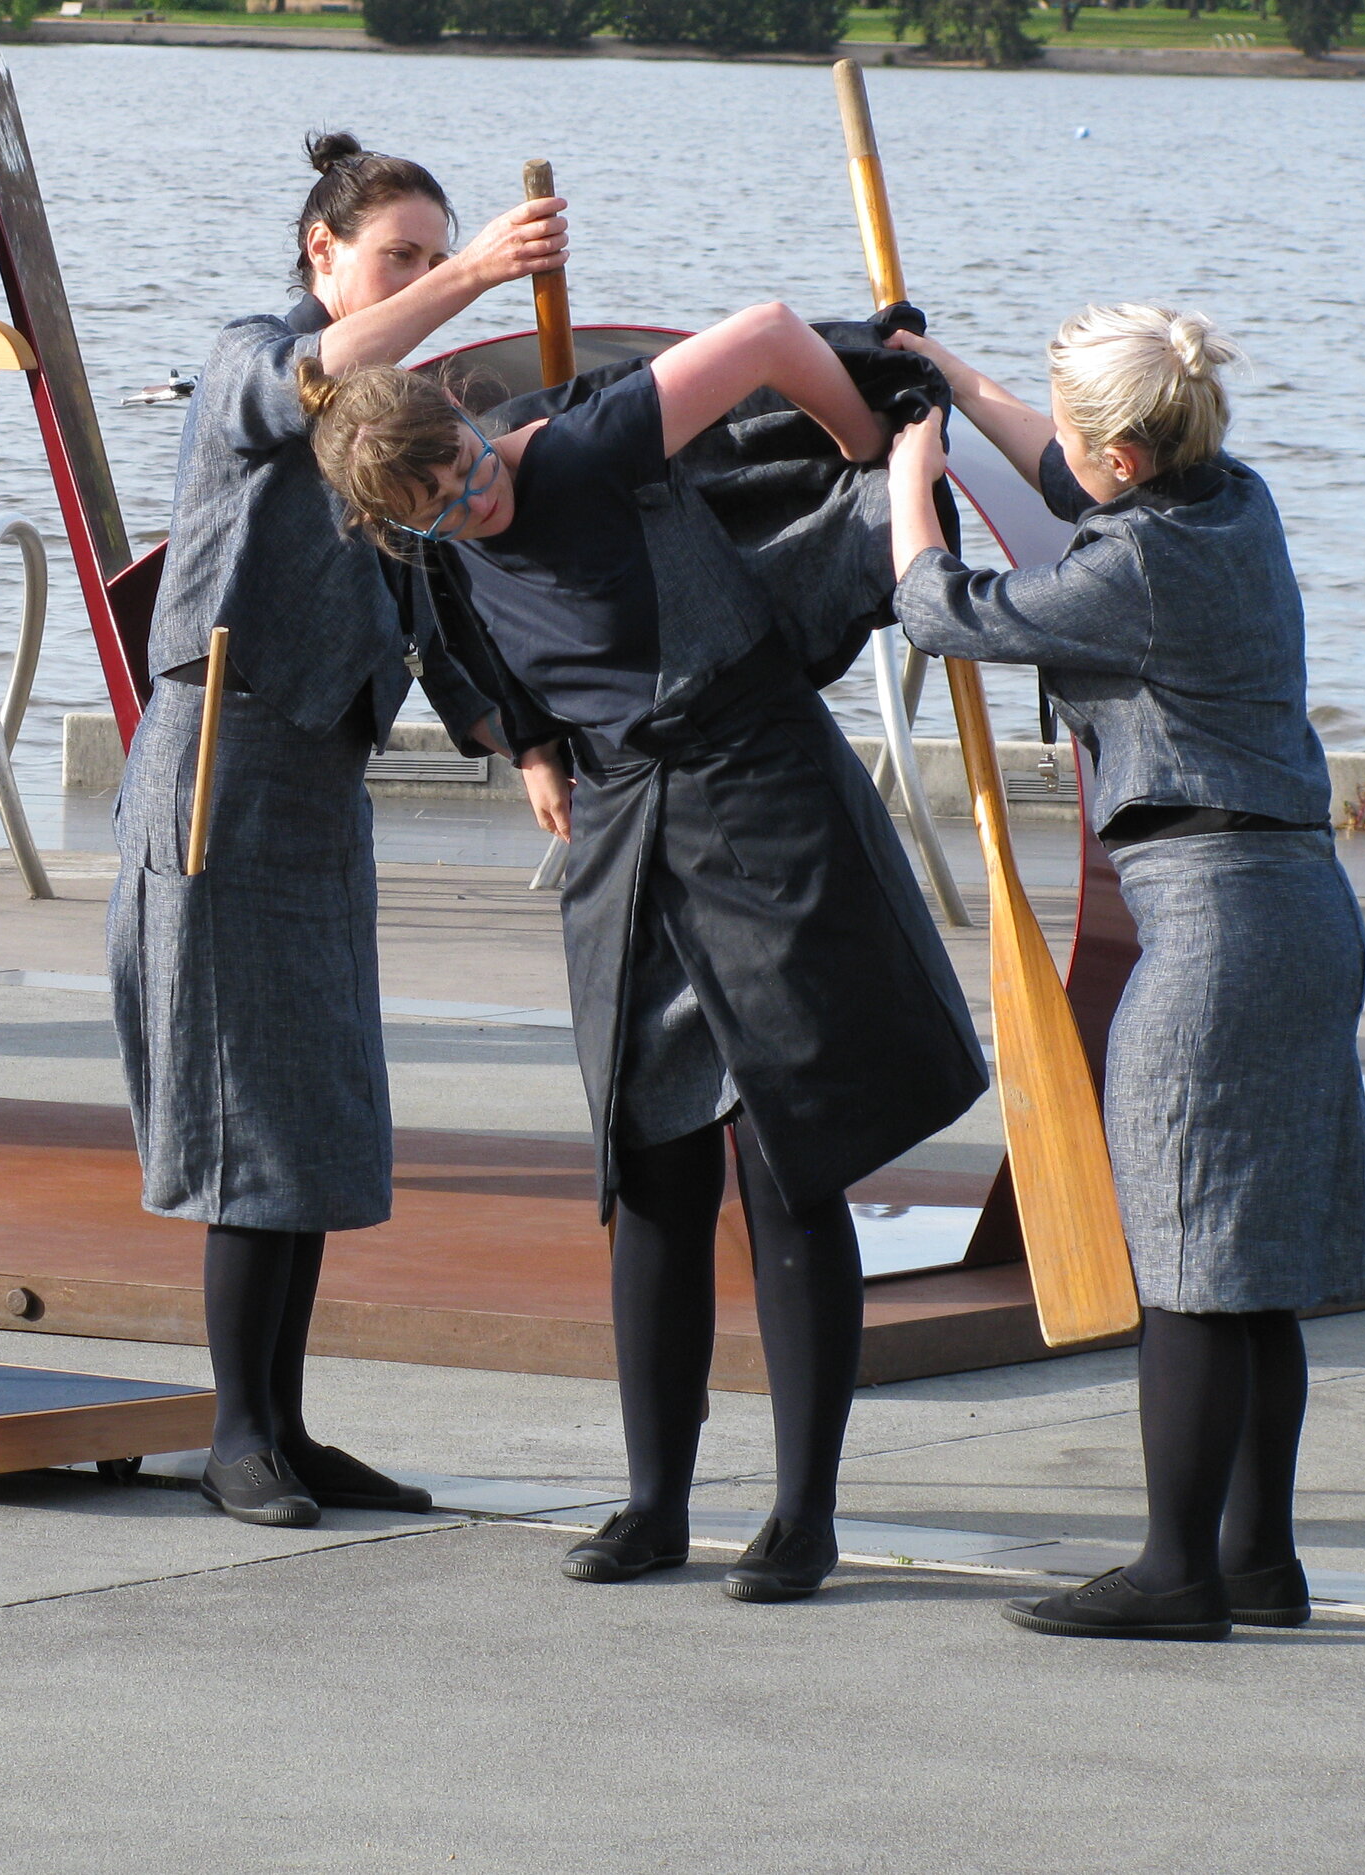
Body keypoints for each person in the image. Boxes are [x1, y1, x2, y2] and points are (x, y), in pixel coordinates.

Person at [294, 301, 989, 1599]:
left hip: (758, 779)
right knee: (651, 1166)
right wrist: (540, 752)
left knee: (789, 1156)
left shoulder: (582, 441)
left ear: (469, 422)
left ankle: (804, 1513)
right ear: (400, 518)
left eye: (474, 464)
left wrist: (862, 455)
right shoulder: (429, 546)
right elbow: (474, 646)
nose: (477, 498)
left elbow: (776, 333)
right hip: (623, 824)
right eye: (444, 503)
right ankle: (655, 1500)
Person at [885, 304, 1365, 1641]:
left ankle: (1177, 1571)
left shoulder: (1138, 575)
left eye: (1069, 427)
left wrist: (907, 491)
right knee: (1251, 1258)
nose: (1052, 443)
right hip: (1300, 907)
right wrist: (952, 377)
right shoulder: (1237, 498)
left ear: (1121, 449)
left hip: (1217, 920)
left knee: (1182, 1254)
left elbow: (944, 614)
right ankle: (1257, 1558)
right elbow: (1067, 472)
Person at [108, 133, 567, 1529]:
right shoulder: (260, 354)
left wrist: (529, 736)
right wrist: (488, 268)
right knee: (248, 1105)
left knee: (310, 1105)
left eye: (439, 258)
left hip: (318, 777)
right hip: (219, 765)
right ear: (323, 256)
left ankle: (288, 1426)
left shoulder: (402, 413)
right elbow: (303, 383)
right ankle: (237, 1432)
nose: (427, 279)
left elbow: (431, 606)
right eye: (402, 258)